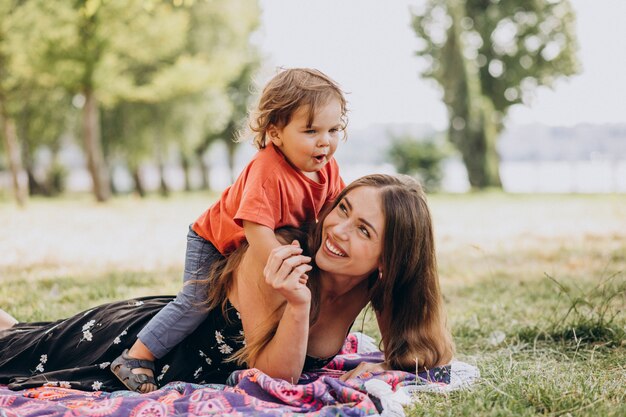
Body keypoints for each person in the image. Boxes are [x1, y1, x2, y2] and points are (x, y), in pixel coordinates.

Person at [0, 174, 454, 392]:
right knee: (16, 350)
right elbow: (276, 378)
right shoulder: (277, 257)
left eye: (364, 230)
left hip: (181, 364)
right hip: (139, 348)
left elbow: (424, 349)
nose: (338, 230)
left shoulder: (373, 286)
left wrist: (386, 366)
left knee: (17, 338)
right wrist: (298, 306)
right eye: (342, 209)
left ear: (387, 263)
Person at [111, 68, 348, 392]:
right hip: (212, 239)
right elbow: (257, 231)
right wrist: (286, 270)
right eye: (311, 131)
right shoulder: (267, 170)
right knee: (196, 301)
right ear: (276, 132)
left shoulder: (328, 169)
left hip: (247, 247)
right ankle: (137, 357)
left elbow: (334, 215)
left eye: (334, 129)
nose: (326, 141)